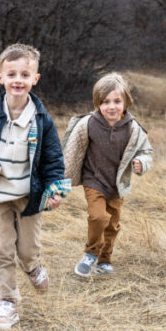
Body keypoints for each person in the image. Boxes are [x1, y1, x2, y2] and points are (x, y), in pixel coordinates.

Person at [0, 43, 70, 330]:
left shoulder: (42, 120)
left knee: (27, 250)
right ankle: (8, 302)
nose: (17, 80)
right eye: (11, 74)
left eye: (24, 74)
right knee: (2, 249)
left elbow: (53, 159)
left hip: (29, 196)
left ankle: (33, 268)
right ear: (0, 78)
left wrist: (54, 190)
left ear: (35, 79)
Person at [63, 72, 153, 277]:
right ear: (97, 103)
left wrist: (141, 163)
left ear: (126, 102)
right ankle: (90, 254)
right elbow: (72, 149)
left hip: (117, 184)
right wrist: (64, 177)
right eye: (105, 102)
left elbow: (146, 152)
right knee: (98, 216)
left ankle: (104, 260)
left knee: (112, 224)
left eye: (117, 101)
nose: (111, 106)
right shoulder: (88, 124)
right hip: (93, 180)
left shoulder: (133, 129)